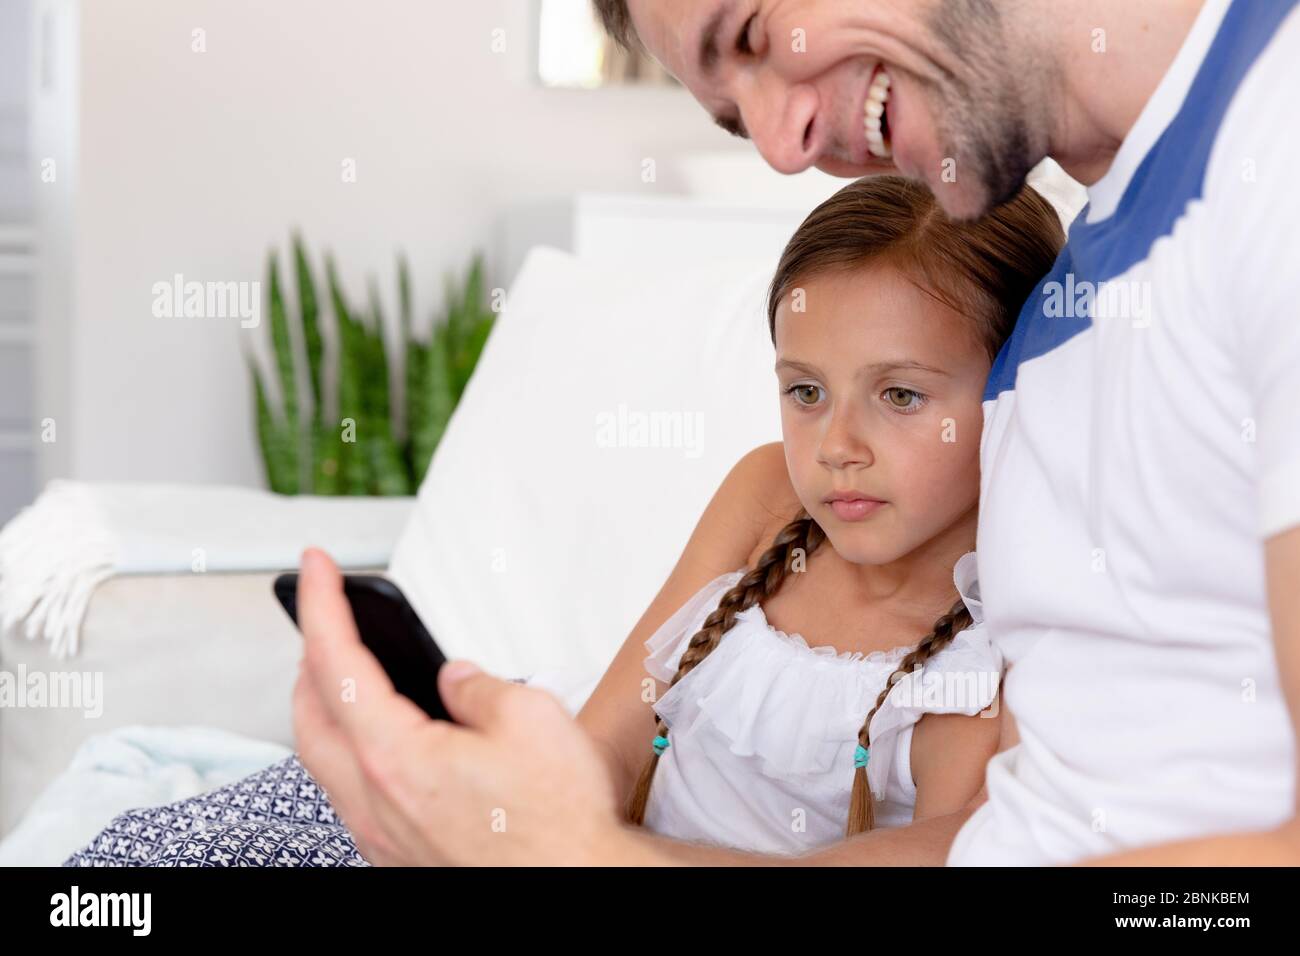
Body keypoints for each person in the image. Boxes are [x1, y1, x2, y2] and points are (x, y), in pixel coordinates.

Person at [292, 0, 1300, 865]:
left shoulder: (1274, 161)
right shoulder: (1063, 308)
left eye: (755, 28)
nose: (782, 148)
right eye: (732, 113)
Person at [63, 176, 1063, 865]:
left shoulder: (1005, 609)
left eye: (898, 396)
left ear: (1016, 389)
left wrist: (594, 853)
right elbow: (610, 741)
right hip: (550, 835)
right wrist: (502, 809)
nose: (836, 441)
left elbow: (948, 847)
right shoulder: (768, 494)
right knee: (143, 862)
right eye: (805, 389)